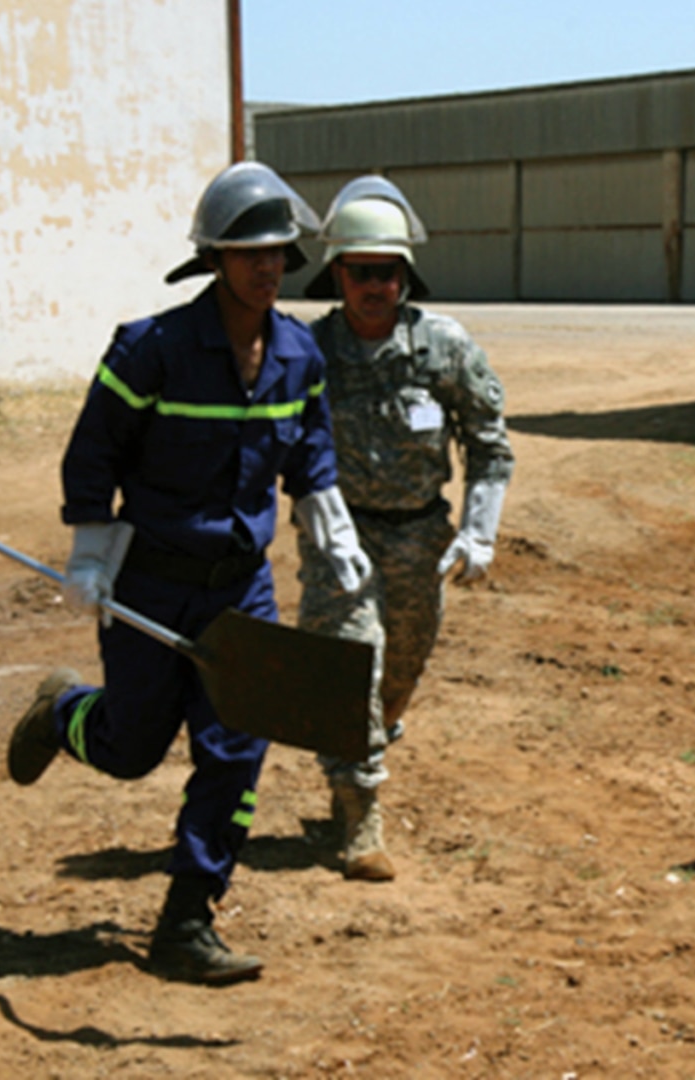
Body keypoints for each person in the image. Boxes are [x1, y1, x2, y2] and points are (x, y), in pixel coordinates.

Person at [6, 161, 373, 983]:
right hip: (150, 582)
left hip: (239, 589)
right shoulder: (153, 350)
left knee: (236, 749)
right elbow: (93, 453)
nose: (268, 266)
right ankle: (62, 711)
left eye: (279, 251)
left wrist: (332, 532)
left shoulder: (297, 353)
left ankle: (186, 920)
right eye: (250, 252)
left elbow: (309, 452)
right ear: (214, 257)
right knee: (133, 747)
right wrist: (91, 558)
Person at [297, 176, 514, 881]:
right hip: (340, 534)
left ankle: (359, 751)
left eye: (387, 273)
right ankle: (361, 816)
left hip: (421, 535)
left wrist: (479, 532)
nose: (375, 287)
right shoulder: (308, 351)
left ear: (405, 275)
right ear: (337, 274)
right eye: (361, 273)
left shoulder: (444, 347)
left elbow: (489, 444)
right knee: (350, 661)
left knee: (401, 668)